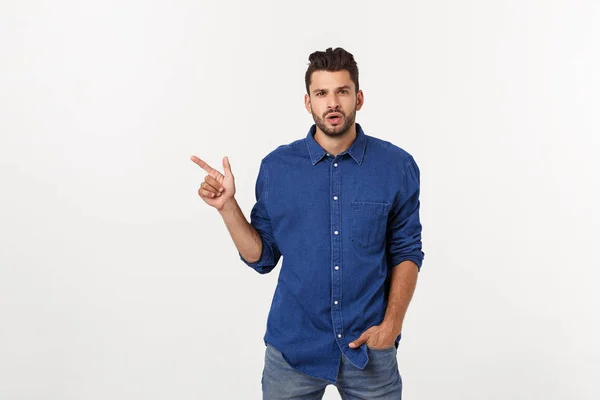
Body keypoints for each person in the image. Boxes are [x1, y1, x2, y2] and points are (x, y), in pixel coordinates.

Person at [190, 47, 424, 399]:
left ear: (358, 98)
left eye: (342, 92)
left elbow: (406, 250)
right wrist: (227, 207)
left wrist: (392, 325)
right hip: (293, 350)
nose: (333, 103)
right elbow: (262, 257)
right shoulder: (277, 168)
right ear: (307, 102)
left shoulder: (396, 166)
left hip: (369, 349)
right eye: (322, 93)